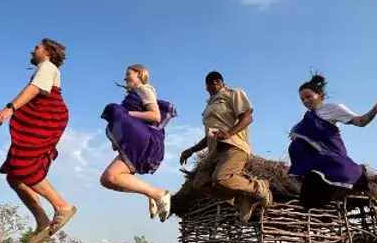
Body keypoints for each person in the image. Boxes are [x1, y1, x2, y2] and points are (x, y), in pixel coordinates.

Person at [0, 39, 76, 243]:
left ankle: (62, 206)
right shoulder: (45, 69)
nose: (32, 49)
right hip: (47, 117)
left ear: (47, 52)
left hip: (48, 117)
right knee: (14, 176)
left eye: (37, 47)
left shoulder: (47, 67)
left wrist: (10, 108)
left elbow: (34, 88)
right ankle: (42, 220)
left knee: (22, 165)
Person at [289, 72, 377, 209]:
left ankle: (364, 174)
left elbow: (360, 121)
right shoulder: (305, 120)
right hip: (316, 165)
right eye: (302, 99)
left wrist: (376, 108)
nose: (305, 101)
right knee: (307, 201)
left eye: (308, 97)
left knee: (340, 177)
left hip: (332, 159)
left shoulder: (332, 108)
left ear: (319, 94)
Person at [178, 71, 272, 222]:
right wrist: (191, 150)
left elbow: (247, 117)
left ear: (221, 82)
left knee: (221, 178)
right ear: (207, 87)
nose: (214, 84)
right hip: (215, 149)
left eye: (217, 80)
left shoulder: (233, 93)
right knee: (200, 183)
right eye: (210, 83)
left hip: (234, 145)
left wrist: (230, 133)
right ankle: (240, 198)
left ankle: (259, 187)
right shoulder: (209, 106)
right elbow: (209, 136)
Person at [99, 64, 177, 222]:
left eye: (128, 73)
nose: (125, 77)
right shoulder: (133, 95)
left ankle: (159, 194)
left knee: (109, 177)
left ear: (139, 74)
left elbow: (154, 115)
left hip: (144, 141)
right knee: (108, 179)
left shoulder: (144, 89)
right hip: (134, 143)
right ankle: (153, 194)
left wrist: (127, 114)